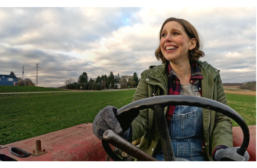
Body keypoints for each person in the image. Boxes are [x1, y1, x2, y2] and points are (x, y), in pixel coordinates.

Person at [93, 17, 249, 161]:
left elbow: (221, 120)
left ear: (192, 43)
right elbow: (141, 118)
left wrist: (221, 150)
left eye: (175, 33)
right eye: (163, 35)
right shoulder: (150, 78)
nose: (167, 38)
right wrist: (119, 125)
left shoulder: (212, 77)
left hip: (201, 156)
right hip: (157, 157)